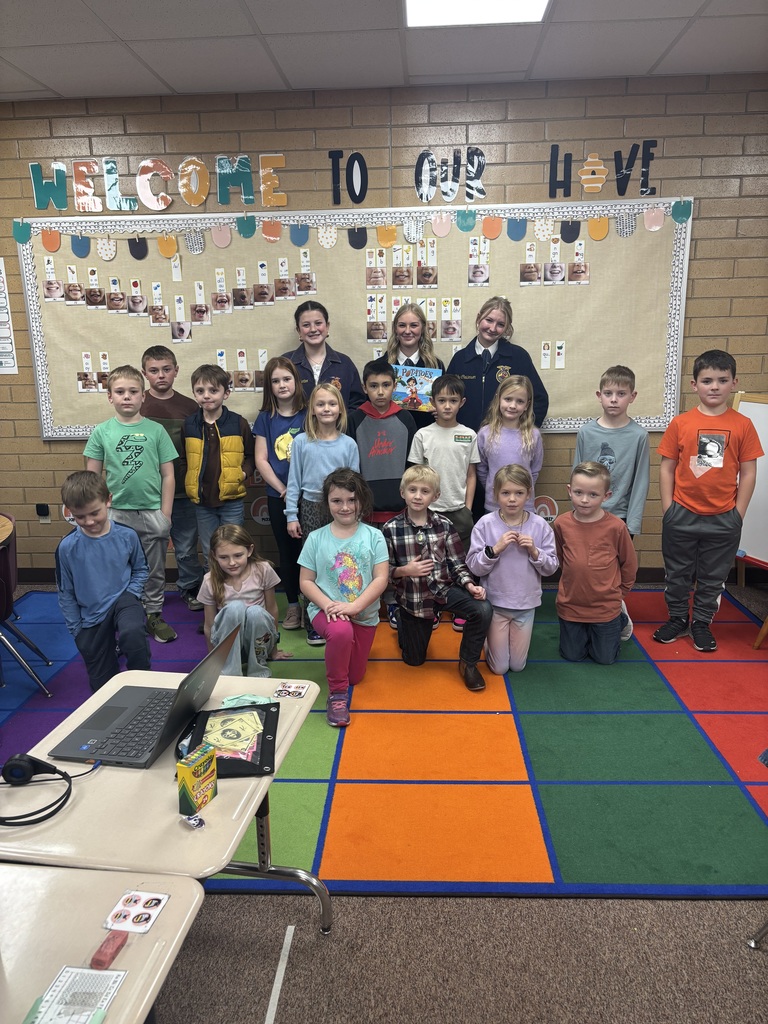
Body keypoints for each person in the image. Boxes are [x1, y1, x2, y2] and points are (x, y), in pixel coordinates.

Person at [653, 349, 763, 653]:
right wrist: (668, 509)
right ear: (694, 385)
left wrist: (737, 514)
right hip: (681, 514)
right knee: (677, 574)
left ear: (733, 383)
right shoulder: (681, 423)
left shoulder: (742, 425)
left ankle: (701, 623)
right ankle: (677, 619)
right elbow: (666, 467)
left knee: (712, 578)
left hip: (723, 518)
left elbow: (749, 471)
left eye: (722, 380)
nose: (714, 386)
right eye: (707, 380)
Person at [83, 365, 178, 644]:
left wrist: (166, 515)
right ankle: (119, 616)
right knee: (115, 568)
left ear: (143, 396)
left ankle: (153, 614)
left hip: (151, 512)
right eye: (120, 392)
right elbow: (92, 478)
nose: (127, 397)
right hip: (115, 514)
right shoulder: (102, 432)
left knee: (153, 568)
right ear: (110, 397)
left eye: (133, 392)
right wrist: (98, 515)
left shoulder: (156, 430)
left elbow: (168, 475)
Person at [382, 466, 493, 693]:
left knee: (482, 609)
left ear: (435, 496)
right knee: (414, 661)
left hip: (443, 592)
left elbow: (457, 563)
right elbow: (384, 572)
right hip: (414, 599)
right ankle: (405, 624)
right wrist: (405, 570)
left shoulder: (444, 525)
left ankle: (468, 664)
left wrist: (469, 584)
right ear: (402, 492)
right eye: (412, 490)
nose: (418, 496)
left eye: (425, 491)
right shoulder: (390, 529)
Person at [299, 469, 389, 727]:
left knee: (355, 677)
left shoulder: (374, 536)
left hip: (363, 614)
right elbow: (305, 581)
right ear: (327, 503)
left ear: (361, 500)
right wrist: (327, 605)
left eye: (352, 500)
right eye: (337, 501)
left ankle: (341, 666)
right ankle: (337, 694)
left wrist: (355, 606)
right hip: (325, 611)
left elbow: (381, 578)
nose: (345, 507)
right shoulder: (316, 538)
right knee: (340, 632)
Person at [56, 471, 151, 691]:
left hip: (123, 600)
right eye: (80, 517)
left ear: (108, 500)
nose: (89, 521)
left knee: (132, 633)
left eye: (94, 513)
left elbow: (141, 569)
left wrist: (132, 593)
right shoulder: (67, 548)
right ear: (70, 512)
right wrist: (77, 631)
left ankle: (144, 683)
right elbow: (65, 592)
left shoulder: (127, 536)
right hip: (92, 614)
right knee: (102, 687)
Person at [285, 383, 360, 645]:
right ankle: (314, 621)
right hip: (311, 508)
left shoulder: (348, 444)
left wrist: (353, 512)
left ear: (340, 409)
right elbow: (293, 482)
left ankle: (342, 612)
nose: (326, 408)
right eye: (320, 404)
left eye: (331, 403)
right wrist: (291, 515)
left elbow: (355, 483)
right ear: (312, 410)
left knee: (341, 562)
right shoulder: (302, 442)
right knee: (314, 565)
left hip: (341, 509)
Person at [466, 465, 558, 674]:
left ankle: (502, 643)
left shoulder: (540, 525)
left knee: (517, 666)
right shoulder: (485, 524)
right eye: (505, 493)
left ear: (528, 494)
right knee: (499, 668)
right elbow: (474, 567)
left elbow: (551, 567)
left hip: (526, 605)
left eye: (519, 493)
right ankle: (488, 641)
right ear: (495, 494)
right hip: (496, 604)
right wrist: (495, 549)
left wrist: (535, 552)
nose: (512, 499)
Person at [347, 358, 417, 628]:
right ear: (365, 387)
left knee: (396, 558)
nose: (380, 392)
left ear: (394, 386)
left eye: (386, 385)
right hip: (368, 508)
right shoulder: (355, 419)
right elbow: (351, 466)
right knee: (368, 557)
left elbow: (413, 465)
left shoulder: (405, 418)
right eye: (373, 386)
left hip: (398, 507)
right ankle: (367, 605)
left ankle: (393, 603)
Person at [553, 462, 638, 665]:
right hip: (571, 605)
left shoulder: (616, 527)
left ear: (606, 496)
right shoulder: (561, 524)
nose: (584, 500)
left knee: (604, 659)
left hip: (605, 606)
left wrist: (619, 594)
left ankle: (621, 619)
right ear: (569, 491)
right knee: (572, 655)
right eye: (578, 492)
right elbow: (560, 558)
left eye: (593, 495)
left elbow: (629, 565)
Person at [141, 345, 204, 612]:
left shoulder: (190, 407)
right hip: (147, 491)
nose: (161, 376)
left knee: (187, 547)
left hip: (183, 492)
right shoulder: (138, 402)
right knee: (147, 548)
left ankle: (190, 588)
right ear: (145, 374)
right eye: (154, 371)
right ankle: (145, 595)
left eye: (166, 369)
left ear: (176, 371)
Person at [181, 364, 256, 569]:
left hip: (232, 500)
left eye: (213, 390)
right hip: (202, 502)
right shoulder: (189, 425)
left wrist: (243, 473)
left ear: (226, 393)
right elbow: (183, 460)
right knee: (209, 550)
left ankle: (236, 592)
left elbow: (251, 456)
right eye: (200, 391)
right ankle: (214, 596)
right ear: (194, 394)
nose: (207, 396)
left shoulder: (238, 423)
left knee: (233, 548)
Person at [253, 356, 308, 634]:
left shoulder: (309, 413)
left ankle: (312, 605)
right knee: (286, 553)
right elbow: (261, 459)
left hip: (308, 497)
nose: (282, 384)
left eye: (286, 378)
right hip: (279, 496)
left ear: (296, 382)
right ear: (269, 387)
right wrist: (283, 489)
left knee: (308, 552)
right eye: (275, 381)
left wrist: (300, 490)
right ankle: (293, 604)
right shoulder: (265, 419)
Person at [198, 525, 292, 677]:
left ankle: (258, 670)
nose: (232, 563)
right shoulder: (210, 580)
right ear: (214, 555)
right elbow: (209, 625)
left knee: (255, 612)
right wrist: (212, 660)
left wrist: (273, 650)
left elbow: (272, 610)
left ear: (249, 550)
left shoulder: (263, 569)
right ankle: (231, 673)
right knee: (235, 608)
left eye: (238, 555)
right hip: (227, 646)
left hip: (257, 643)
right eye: (224, 557)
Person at [446, 296, 548, 434]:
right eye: (489, 320)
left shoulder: (518, 357)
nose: (492, 328)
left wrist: (523, 432)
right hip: (464, 440)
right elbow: (446, 398)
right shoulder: (460, 359)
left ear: (507, 328)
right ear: (479, 318)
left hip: (502, 443)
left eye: (500, 324)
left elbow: (539, 400)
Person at [573, 365, 650, 537]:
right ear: (599, 396)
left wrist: (633, 523)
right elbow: (576, 476)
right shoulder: (586, 432)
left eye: (621, 394)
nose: (614, 399)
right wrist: (576, 514)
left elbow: (640, 482)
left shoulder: (639, 436)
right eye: (608, 393)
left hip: (620, 518)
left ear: (632, 396)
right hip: (587, 514)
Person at [408, 374, 479, 556]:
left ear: (461, 402)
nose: (447, 406)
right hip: (428, 509)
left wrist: (467, 509)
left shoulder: (469, 435)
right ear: (432, 402)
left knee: (460, 561)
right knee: (429, 558)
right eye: (442, 400)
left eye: (453, 400)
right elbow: (414, 475)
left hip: (459, 511)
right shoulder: (422, 435)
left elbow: (471, 475)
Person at [477, 375, 543, 515]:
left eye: (519, 401)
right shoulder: (485, 433)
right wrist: (494, 489)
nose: (513, 406)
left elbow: (534, 471)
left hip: (525, 506)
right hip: (494, 505)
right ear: (498, 398)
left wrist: (521, 493)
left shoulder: (533, 435)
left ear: (527, 405)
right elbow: (482, 469)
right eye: (508, 399)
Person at [282, 300, 365, 411]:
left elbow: (357, 404)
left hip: (338, 428)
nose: (313, 329)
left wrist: (341, 424)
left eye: (318, 323)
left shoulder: (344, 364)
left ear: (327, 326)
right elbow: (276, 403)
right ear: (298, 330)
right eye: (306, 325)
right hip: (296, 428)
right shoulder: (286, 364)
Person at [385, 303, 445, 430]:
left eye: (413, 325)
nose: (407, 331)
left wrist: (441, 409)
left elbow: (446, 400)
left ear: (422, 328)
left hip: (427, 434)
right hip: (390, 434)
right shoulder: (382, 365)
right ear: (395, 328)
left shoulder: (436, 366)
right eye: (402, 325)